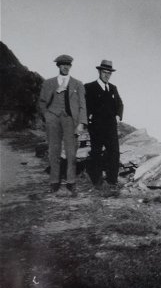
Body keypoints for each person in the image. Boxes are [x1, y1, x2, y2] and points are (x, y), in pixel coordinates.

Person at [37, 54, 87, 195]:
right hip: (53, 119)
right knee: (54, 151)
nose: (66, 67)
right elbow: (41, 102)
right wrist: (47, 116)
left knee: (71, 152)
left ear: (71, 66)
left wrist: (81, 123)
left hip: (71, 120)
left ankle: (71, 182)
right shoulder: (48, 83)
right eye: (63, 64)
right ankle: (54, 182)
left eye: (68, 64)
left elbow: (83, 105)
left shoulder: (78, 84)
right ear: (58, 66)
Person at [85, 60, 124, 189]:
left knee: (114, 152)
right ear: (99, 72)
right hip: (96, 126)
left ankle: (112, 180)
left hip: (111, 126)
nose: (107, 75)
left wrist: (118, 116)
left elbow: (120, 104)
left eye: (109, 73)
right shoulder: (89, 87)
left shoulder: (113, 88)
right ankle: (97, 181)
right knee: (96, 152)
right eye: (104, 72)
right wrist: (89, 118)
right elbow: (85, 106)